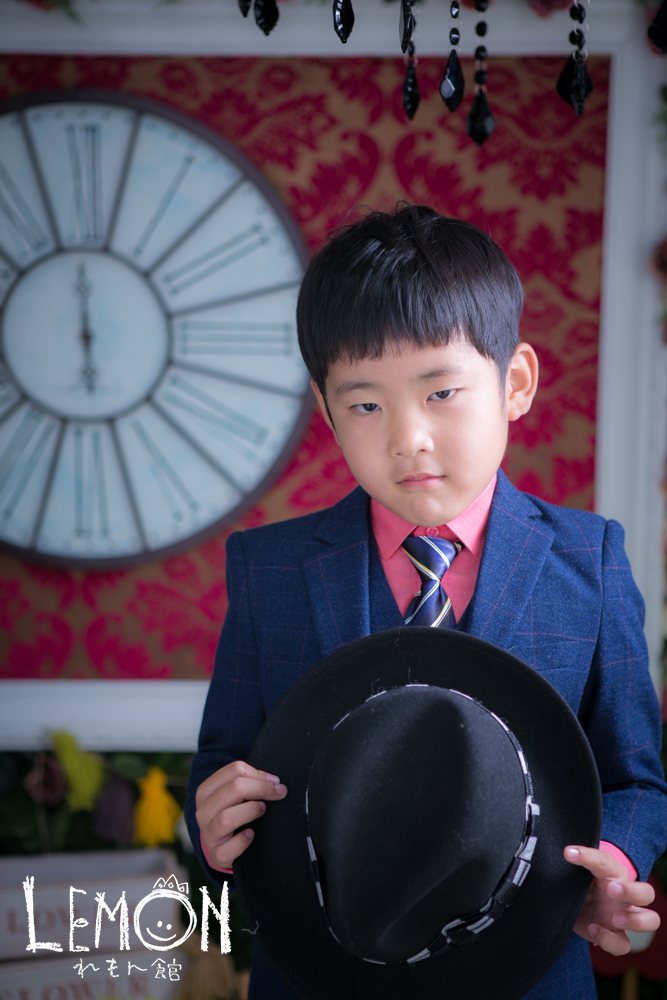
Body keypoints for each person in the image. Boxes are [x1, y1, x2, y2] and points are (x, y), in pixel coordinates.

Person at [185, 205, 667, 1000]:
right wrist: (214, 830)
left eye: (441, 391)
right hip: (319, 974)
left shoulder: (590, 560)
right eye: (365, 405)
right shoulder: (268, 569)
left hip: (531, 971)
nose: (407, 437)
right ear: (326, 408)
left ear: (514, 384)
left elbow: (636, 781)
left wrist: (608, 864)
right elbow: (223, 765)